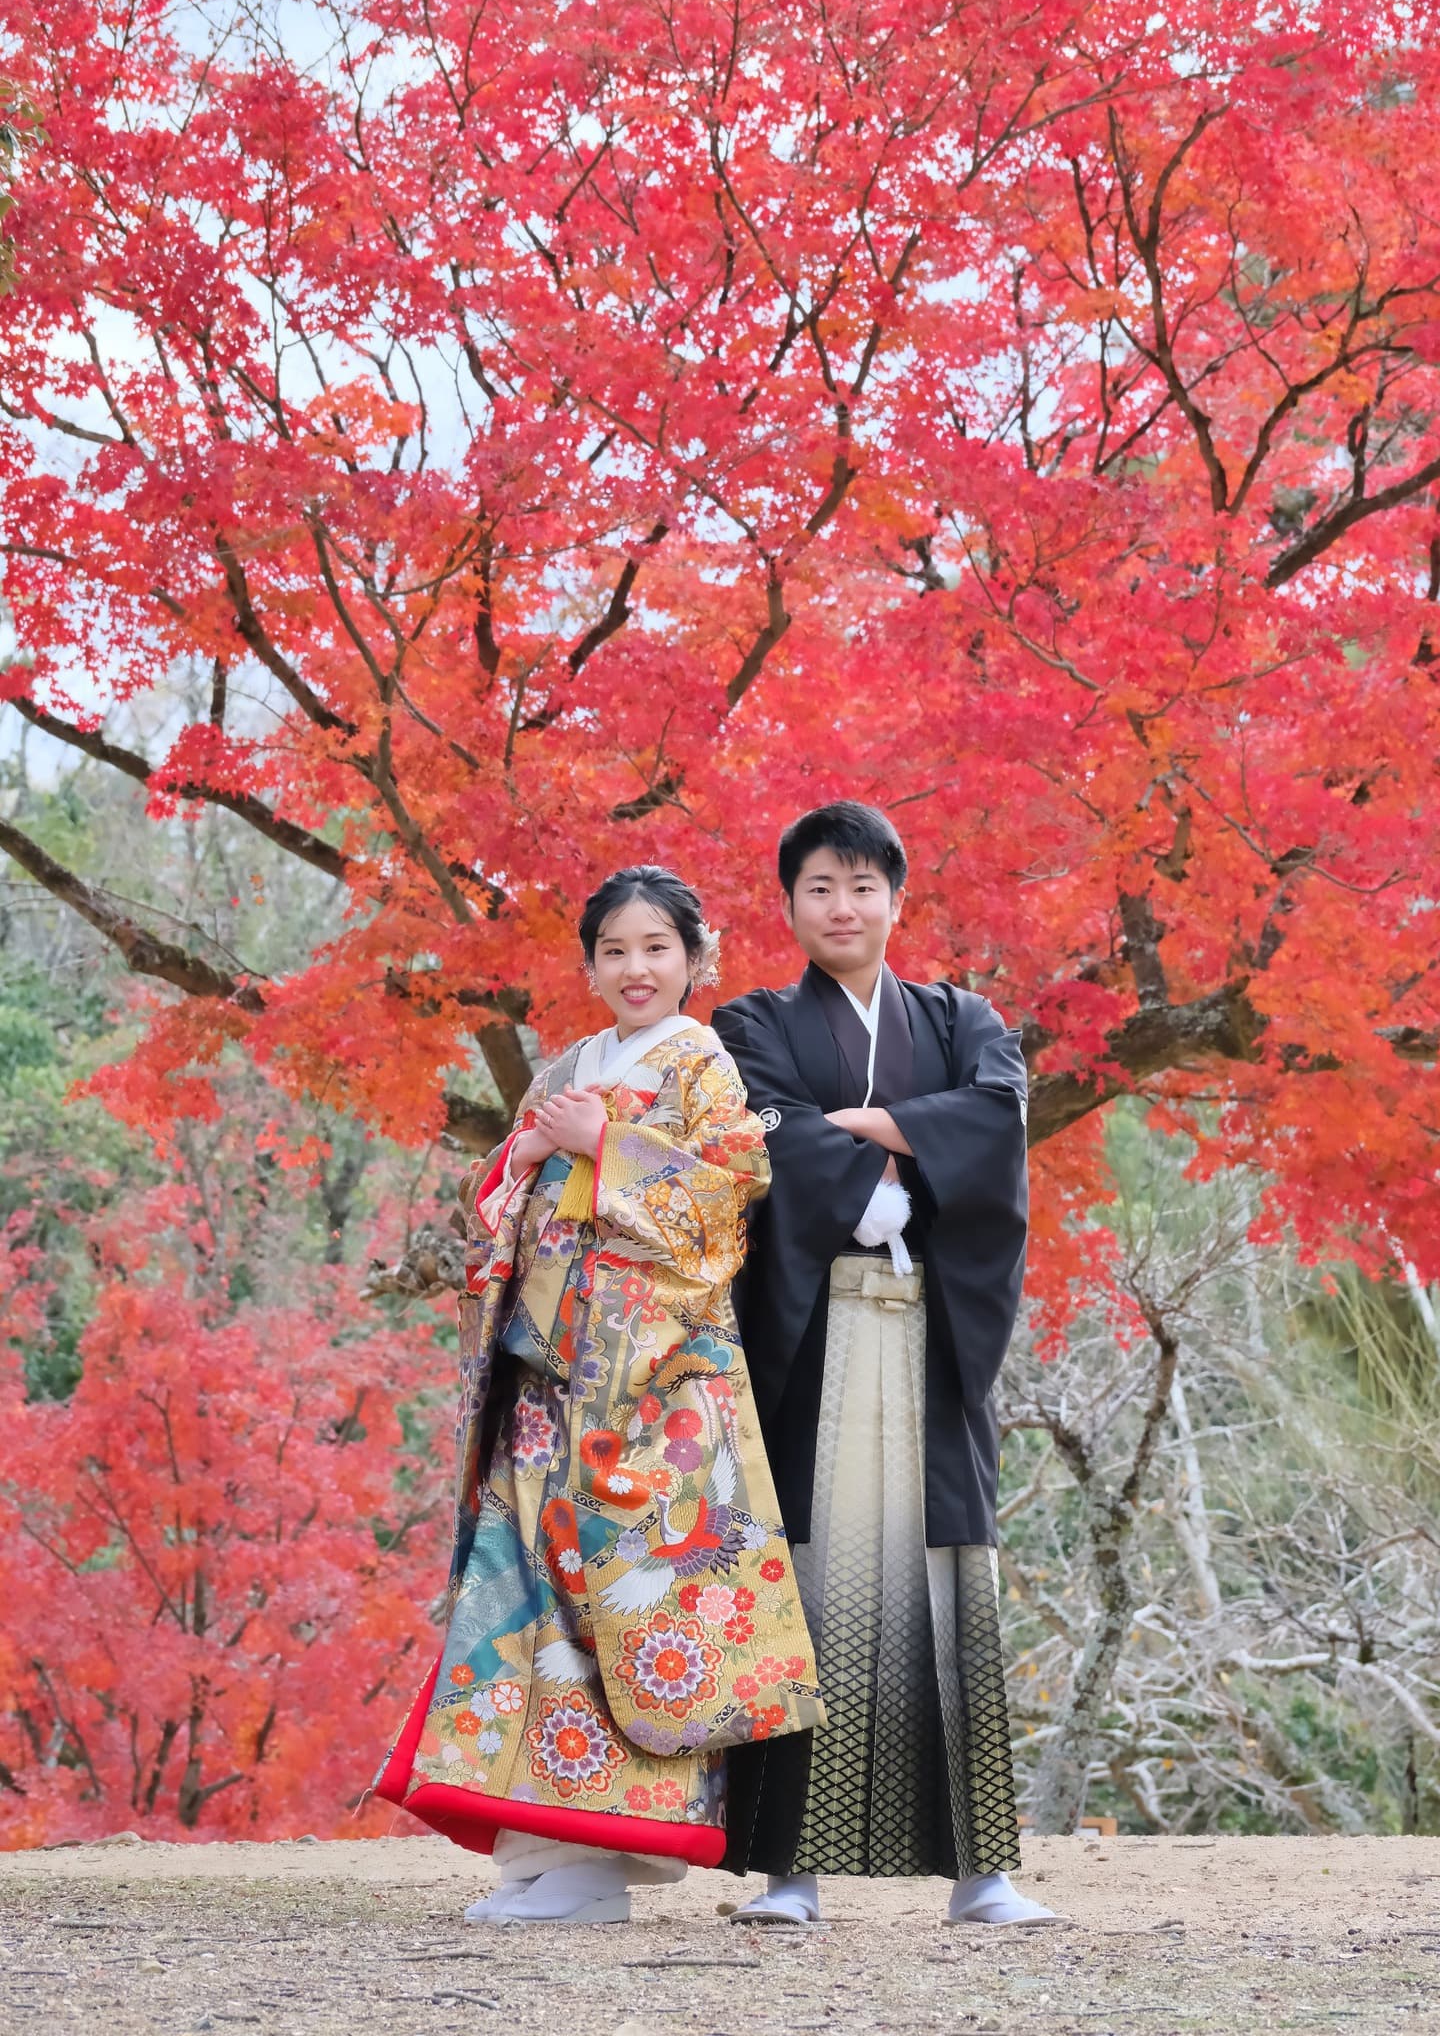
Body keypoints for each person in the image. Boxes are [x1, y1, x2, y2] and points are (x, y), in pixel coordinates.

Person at [373, 866, 825, 1926]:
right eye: (614, 951)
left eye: (658, 948)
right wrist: (528, 1152)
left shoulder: (705, 1062)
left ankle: (599, 1858)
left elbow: (725, 1200)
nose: (636, 969)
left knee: (619, 1604)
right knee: (530, 1602)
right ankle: (538, 1843)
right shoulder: (570, 1064)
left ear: (697, 958)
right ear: (588, 966)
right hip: (546, 1379)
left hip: (649, 1389)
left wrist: (603, 1147)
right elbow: (497, 1208)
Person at [711, 803, 1060, 1928]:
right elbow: (768, 1125)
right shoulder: (750, 1017)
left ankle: (982, 1874)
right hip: (813, 1335)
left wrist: (855, 1121)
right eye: (819, 886)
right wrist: (896, 1153)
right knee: (806, 1581)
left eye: (863, 886)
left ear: (898, 899)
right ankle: (789, 1872)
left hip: (929, 1332)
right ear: (791, 904)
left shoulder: (965, 1016)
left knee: (948, 1581)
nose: (842, 906)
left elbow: (999, 1112)